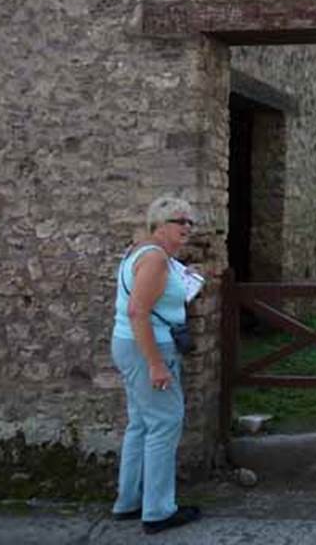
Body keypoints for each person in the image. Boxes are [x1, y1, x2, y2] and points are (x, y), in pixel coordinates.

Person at [110, 195, 202, 535]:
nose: (188, 228)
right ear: (159, 224)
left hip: (130, 345)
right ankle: (159, 511)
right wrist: (156, 364)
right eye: (181, 221)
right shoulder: (155, 259)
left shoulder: (145, 252)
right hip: (148, 348)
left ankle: (129, 501)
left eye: (190, 222)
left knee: (141, 424)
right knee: (165, 423)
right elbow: (138, 311)